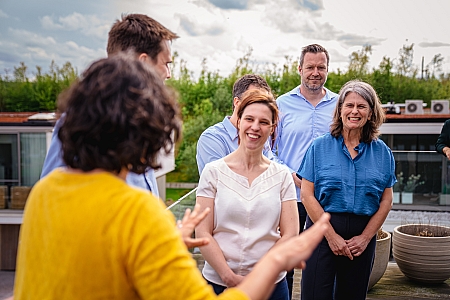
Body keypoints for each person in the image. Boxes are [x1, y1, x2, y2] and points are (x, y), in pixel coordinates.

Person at [13, 54, 330, 300]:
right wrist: (277, 262)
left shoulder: (44, 192)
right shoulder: (138, 212)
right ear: (148, 127)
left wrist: (166, 244)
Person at [40, 13, 178, 196]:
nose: (168, 74)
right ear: (143, 63)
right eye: (166, 63)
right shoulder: (82, 124)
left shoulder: (144, 122)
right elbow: (52, 197)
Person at [195, 89, 300, 300]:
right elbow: (203, 233)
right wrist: (228, 277)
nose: (255, 127)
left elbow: (290, 234)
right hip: (218, 284)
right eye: (249, 119)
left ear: (272, 129)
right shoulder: (213, 171)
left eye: (263, 122)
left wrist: (260, 275)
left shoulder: (281, 176)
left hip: (271, 286)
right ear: (239, 121)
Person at [298, 80, 396, 300]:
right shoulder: (319, 147)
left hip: (361, 238)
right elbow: (306, 194)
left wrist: (365, 238)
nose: (354, 111)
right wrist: (331, 237)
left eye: (361, 106)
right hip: (321, 232)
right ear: (340, 110)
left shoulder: (383, 153)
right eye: (349, 105)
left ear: (371, 113)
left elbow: (386, 201)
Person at [272, 44, 339, 297]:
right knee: (286, 260)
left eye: (321, 67)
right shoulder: (281, 104)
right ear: (299, 68)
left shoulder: (338, 105)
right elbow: (269, 150)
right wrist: (290, 175)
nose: (315, 72)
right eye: (310, 67)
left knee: (322, 263)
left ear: (327, 70)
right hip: (289, 196)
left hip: (326, 199)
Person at [196, 74, 275, 175]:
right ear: (237, 102)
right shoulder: (212, 138)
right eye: (252, 101)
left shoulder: (259, 135)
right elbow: (221, 182)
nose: (259, 107)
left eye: (263, 102)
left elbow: (272, 175)